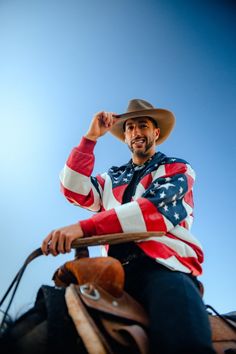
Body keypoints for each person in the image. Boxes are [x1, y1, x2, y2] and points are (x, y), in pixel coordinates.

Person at [41, 99, 215, 354]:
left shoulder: (177, 168)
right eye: (130, 128)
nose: (136, 132)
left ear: (155, 133)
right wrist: (90, 138)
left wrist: (83, 228)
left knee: (183, 341)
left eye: (142, 126)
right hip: (114, 270)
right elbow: (72, 188)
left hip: (163, 265)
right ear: (125, 137)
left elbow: (153, 211)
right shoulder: (111, 177)